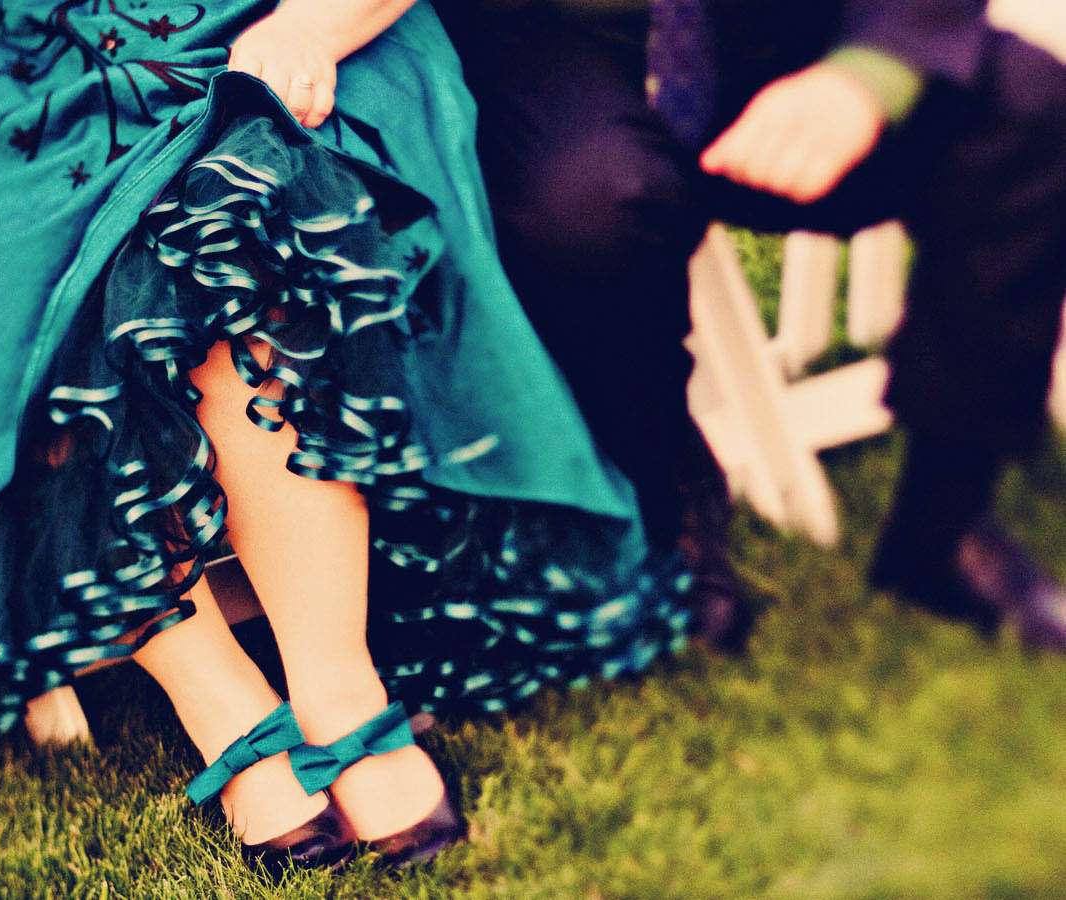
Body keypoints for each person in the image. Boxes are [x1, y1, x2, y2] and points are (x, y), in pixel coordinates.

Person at [0, 0, 693, 873]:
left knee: (226, 218)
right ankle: (216, 696)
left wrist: (313, 24)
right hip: (10, 75)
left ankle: (337, 686)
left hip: (269, 29)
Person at [438, 0, 1066, 651]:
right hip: (563, 43)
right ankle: (669, 512)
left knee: (1027, 101)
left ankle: (947, 520)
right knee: (583, 210)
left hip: (767, 28)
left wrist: (869, 72)